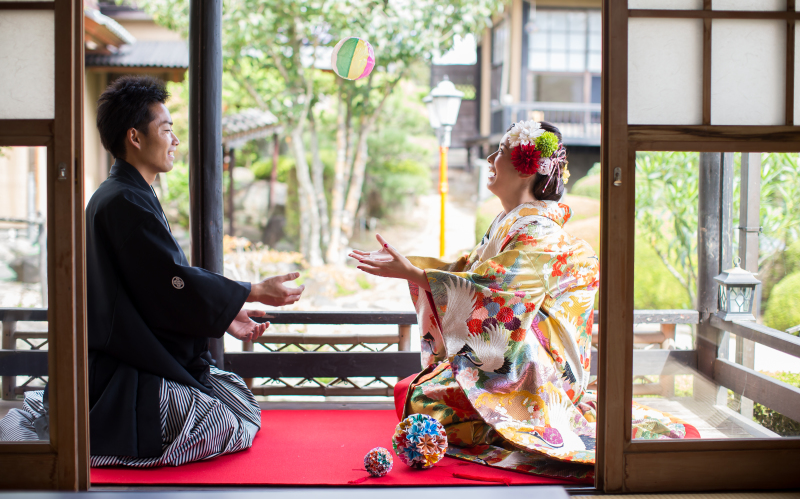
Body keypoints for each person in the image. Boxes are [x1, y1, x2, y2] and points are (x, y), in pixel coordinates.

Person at [350, 120, 689, 481]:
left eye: (500, 152)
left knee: (423, 400)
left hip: (541, 368)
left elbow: (496, 288)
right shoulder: (510, 222)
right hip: (513, 355)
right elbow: (469, 271)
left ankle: (514, 425)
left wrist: (415, 275)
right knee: (412, 392)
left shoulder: (538, 230)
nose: (490, 159)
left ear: (526, 168)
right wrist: (411, 267)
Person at [0, 75, 305, 468]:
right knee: (227, 423)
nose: (175, 140)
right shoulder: (123, 201)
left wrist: (225, 313)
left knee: (236, 398)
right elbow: (171, 282)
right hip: (119, 370)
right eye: (166, 130)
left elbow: (155, 288)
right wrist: (253, 290)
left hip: (125, 353)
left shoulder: (122, 194)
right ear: (135, 137)